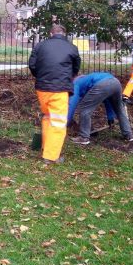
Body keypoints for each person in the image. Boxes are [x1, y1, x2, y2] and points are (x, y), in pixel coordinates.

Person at [28, 24, 81, 164]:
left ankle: (46, 148)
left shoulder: (40, 46)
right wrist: (70, 76)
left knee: (47, 117)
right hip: (60, 89)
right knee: (58, 122)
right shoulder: (72, 48)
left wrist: (40, 76)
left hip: (42, 89)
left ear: (51, 33)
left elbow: (32, 65)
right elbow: (76, 67)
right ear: (64, 34)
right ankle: (51, 156)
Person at [68, 72, 133, 144]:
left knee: (85, 109)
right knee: (119, 109)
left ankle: (84, 137)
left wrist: (66, 121)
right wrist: (110, 117)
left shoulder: (75, 83)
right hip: (115, 82)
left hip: (102, 84)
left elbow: (71, 104)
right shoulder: (88, 78)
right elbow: (107, 100)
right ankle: (128, 135)